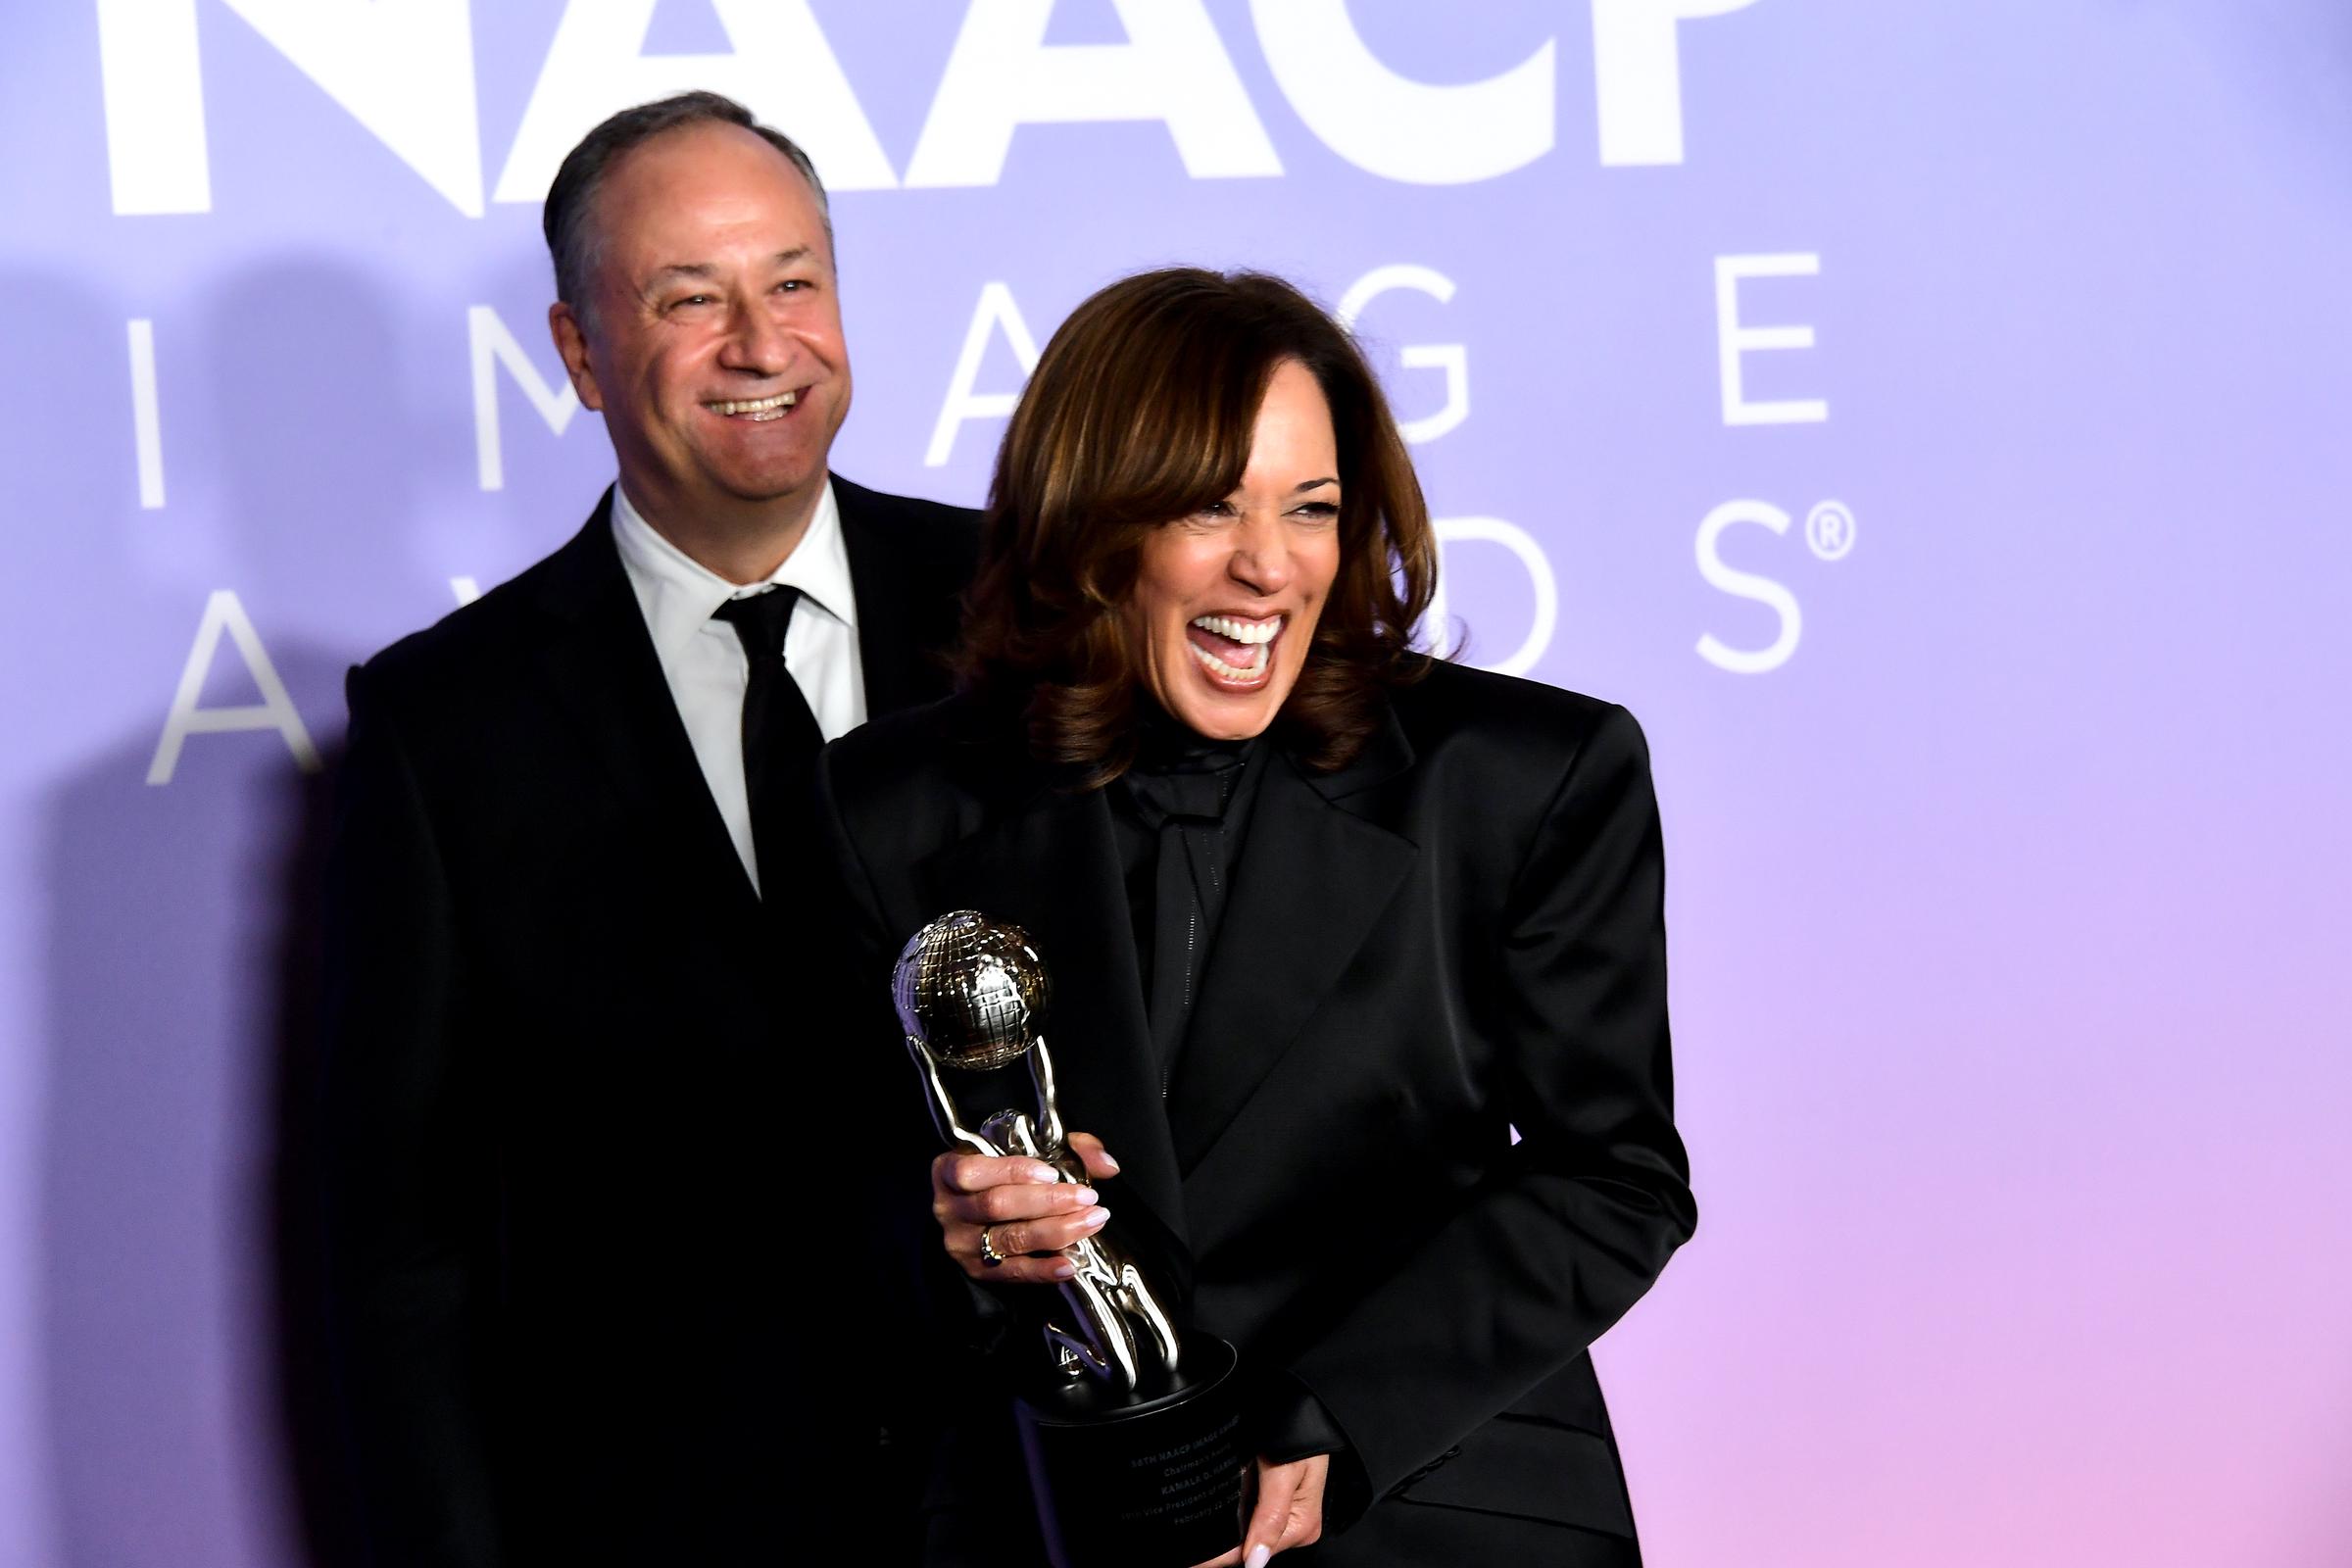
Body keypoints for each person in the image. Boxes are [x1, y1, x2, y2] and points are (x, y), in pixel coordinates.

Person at [810, 269, 1697, 1566]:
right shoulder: (896, 803)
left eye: (1313, 508)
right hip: (1063, 1513)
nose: (1269, 565)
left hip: (1432, 1501)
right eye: (1209, 505)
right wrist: (955, 1229)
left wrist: (1330, 1414)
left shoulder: (1523, 776)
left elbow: (1614, 1181)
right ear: (1091, 523)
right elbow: (839, 1204)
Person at [318, 92, 977, 1566]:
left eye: (794, 281)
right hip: (672, 1521)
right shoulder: (445, 728)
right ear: (577, 353)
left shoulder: (1026, 609)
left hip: (1039, 1499)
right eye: (692, 298)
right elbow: (404, 1244)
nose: (762, 344)